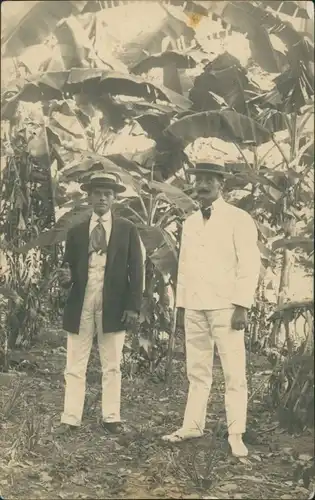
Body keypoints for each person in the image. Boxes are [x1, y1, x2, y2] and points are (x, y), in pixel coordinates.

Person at [162, 160, 261, 457]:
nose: (202, 185)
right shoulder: (190, 222)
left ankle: (236, 433)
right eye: (198, 180)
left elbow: (249, 263)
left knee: (234, 372)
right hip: (194, 305)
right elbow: (185, 266)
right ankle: (192, 424)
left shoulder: (238, 218)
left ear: (221, 185)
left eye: (209, 180)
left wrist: (242, 305)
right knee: (197, 370)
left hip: (226, 307)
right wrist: (181, 305)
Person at [57, 171, 144, 435]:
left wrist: (133, 306)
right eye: (97, 193)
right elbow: (67, 269)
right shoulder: (76, 230)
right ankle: (70, 417)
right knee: (75, 361)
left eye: (108, 193)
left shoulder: (127, 229)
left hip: (114, 302)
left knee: (112, 362)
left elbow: (137, 270)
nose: (102, 198)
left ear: (115, 198)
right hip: (82, 300)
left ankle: (111, 417)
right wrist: (65, 277)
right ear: (90, 196)